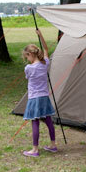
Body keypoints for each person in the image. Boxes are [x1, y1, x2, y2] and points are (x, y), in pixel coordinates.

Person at [21, 29, 58, 157]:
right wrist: (40, 35)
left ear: (30, 54)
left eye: (27, 57)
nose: (27, 59)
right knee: (48, 120)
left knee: (35, 122)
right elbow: (46, 49)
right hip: (44, 97)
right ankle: (53, 145)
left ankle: (35, 150)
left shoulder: (29, 68)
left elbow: (28, 77)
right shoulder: (45, 63)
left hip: (34, 98)